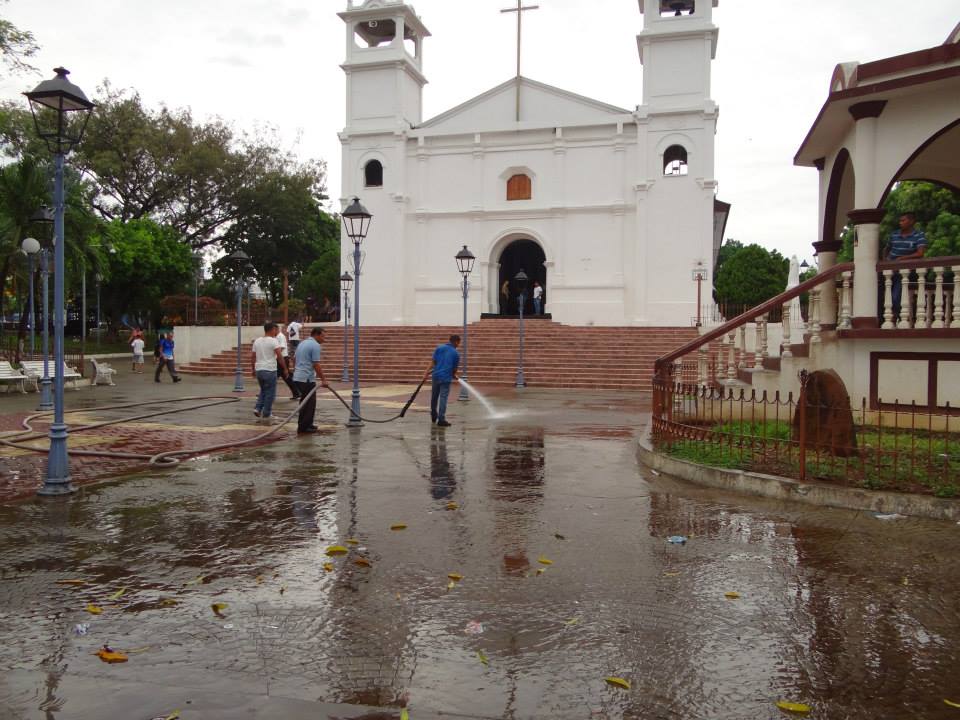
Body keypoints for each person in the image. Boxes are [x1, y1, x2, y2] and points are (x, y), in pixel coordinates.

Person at [885, 212, 927, 318]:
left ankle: (897, 316)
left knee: (895, 296)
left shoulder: (919, 235)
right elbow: (887, 249)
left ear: (911, 221)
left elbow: (920, 253)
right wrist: (884, 260)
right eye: (900, 221)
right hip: (890, 268)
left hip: (905, 271)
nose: (900, 223)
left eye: (903, 220)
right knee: (881, 292)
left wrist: (902, 258)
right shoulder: (894, 234)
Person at [292, 327, 329, 434]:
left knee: (305, 402)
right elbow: (316, 364)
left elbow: (294, 359)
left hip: (298, 377)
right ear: (316, 335)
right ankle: (304, 427)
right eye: (323, 336)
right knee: (309, 403)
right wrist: (323, 380)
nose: (324, 339)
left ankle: (307, 424)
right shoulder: (315, 345)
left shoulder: (302, 343)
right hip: (306, 378)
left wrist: (297, 370)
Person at [251, 322, 287, 423]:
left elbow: (253, 356)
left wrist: (253, 369)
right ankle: (267, 413)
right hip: (270, 369)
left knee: (263, 390)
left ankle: (258, 408)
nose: (276, 332)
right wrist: (285, 368)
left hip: (259, 369)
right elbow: (280, 356)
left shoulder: (257, 341)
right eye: (275, 330)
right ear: (271, 330)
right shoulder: (273, 341)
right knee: (270, 392)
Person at [423, 334, 461, 427]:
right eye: (459, 342)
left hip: (436, 376)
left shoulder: (439, 348)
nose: (459, 344)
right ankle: (441, 419)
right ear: (456, 341)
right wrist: (454, 375)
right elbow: (454, 369)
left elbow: (433, 362)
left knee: (434, 396)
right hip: (446, 378)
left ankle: (433, 415)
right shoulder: (455, 353)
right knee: (443, 398)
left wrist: (426, 373)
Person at [276, 323, 300, 401]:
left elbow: (282, 347)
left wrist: (274, 355)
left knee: (278, 377)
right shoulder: (276, 336)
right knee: (287, 377)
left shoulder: (280, 336)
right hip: (280, 359)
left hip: (282, 358)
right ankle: (297, 392)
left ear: (277, 329)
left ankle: (264, 392)